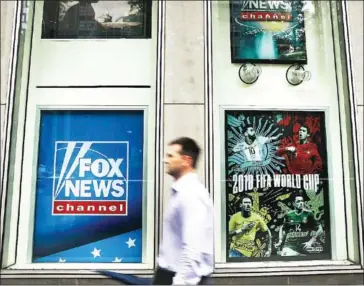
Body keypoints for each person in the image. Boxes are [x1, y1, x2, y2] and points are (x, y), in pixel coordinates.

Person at [153, 137, 214, 285]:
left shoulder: (191, 194)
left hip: (178, 277)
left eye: (170, 156)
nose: (164, 160)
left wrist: (181, 283)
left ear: (186, 160)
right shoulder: (182, 191)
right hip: (168, 274)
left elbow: (193, 248)